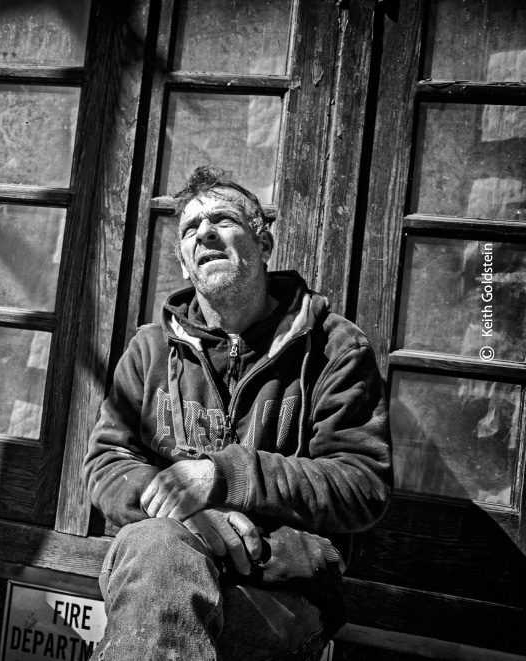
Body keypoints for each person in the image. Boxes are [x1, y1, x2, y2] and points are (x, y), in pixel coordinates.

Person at [83, 166, 392, 660]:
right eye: (189, 229)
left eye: (223, 220)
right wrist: (196, 513)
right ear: (185, 264)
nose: (203, 233)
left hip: (281, 584)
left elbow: (361, 485)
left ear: (263, 244)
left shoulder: (336, 348)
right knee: (159, 551)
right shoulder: (148, 349)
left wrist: (225, 476)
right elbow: (106, 463)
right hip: (166, 563)